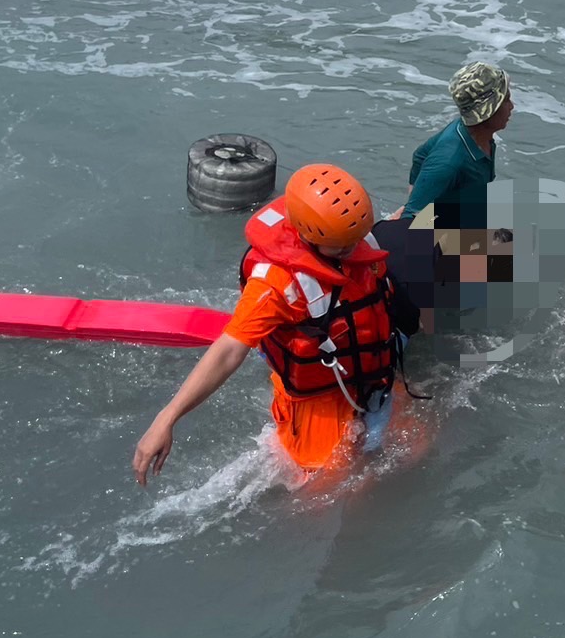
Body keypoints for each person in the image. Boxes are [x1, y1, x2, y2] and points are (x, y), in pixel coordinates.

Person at [133, 164, 401, 485]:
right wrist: (167, 418)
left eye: (356, 240)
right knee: (330, 491)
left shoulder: (354, 238)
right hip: (316, 406)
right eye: (343, 245)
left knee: (410, 454)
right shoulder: (276, 285)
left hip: (375, 379)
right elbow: (228, 350)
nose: (353, 249)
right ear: (307, 233)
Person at [394, 61, 513, 226]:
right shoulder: (449, 161)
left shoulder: (475, 133)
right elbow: (411, 223)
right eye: (506, 100)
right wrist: (417, 202)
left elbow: (420, 154)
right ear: (488, 112)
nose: (512, 106)